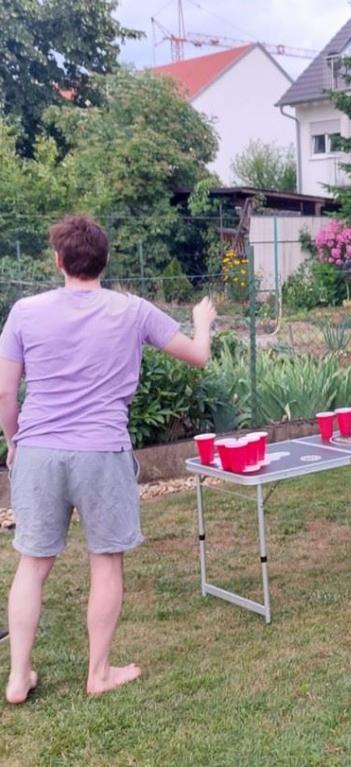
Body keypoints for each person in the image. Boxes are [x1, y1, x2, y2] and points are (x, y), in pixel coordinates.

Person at [0, 214, 217, 703]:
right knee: (106, 561)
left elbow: (5, 392)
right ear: (104, 260)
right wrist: (202, 323)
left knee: (32, 565)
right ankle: (98, 674)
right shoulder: (132, 310)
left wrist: (15, 441)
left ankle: (18, 677)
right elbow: (198, 355)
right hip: (102, 451)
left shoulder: (25, 312)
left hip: (39, 452)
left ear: (58, 260)